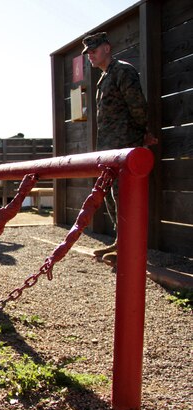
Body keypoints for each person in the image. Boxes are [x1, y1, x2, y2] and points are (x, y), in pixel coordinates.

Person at [82, 32, 157, 264]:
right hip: (110, 148)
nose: (90, 56)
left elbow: (137, 104)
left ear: (107, 48)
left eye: (94, 50)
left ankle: (130, 245)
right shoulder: (104, 77)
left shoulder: (123, 71)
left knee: (124, 194)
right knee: (111, 195)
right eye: (88, 53)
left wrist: (143, 132)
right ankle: (121, 239)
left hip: (125, 145)